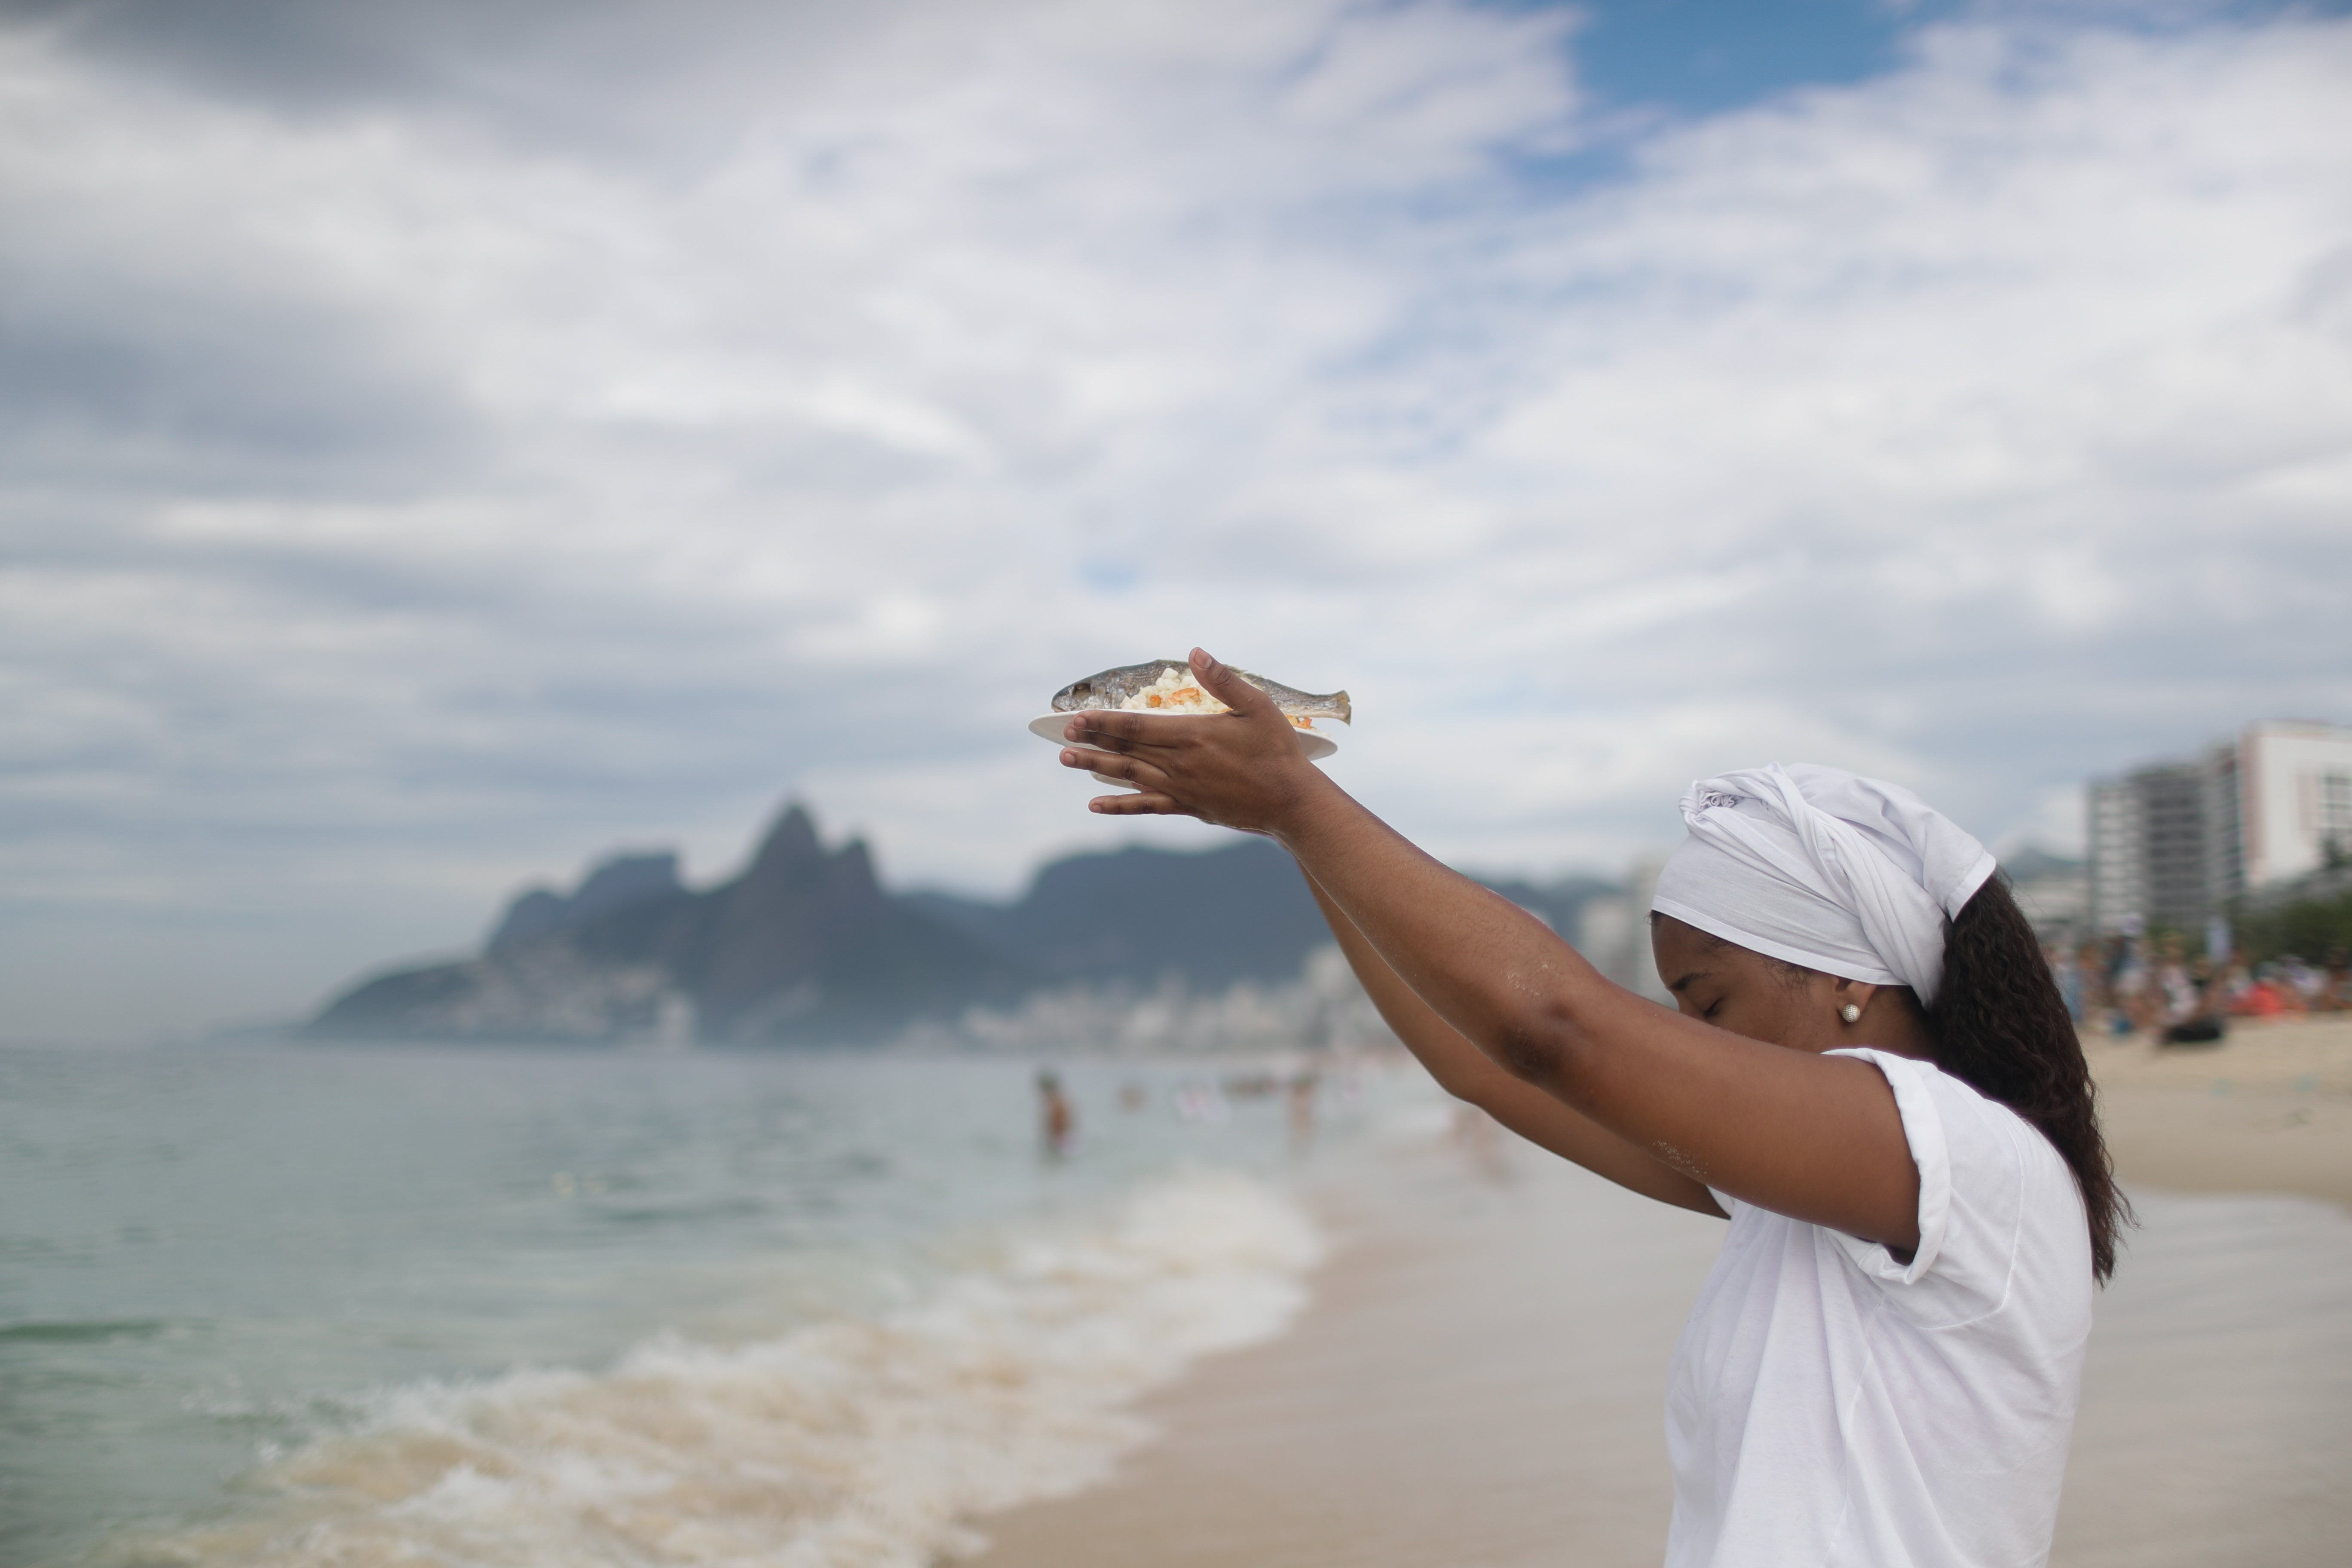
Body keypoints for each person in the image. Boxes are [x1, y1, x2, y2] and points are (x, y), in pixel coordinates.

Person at [1057, 649, 2125, 1568]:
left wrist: (1301, 799)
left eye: (1709, 1001)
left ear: (1848, 973)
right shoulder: (1810, 1201)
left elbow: (1557, 1032)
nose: (1695, 1042)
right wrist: (1296, 840)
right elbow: (1492, 1070)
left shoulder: (1968, 1160)